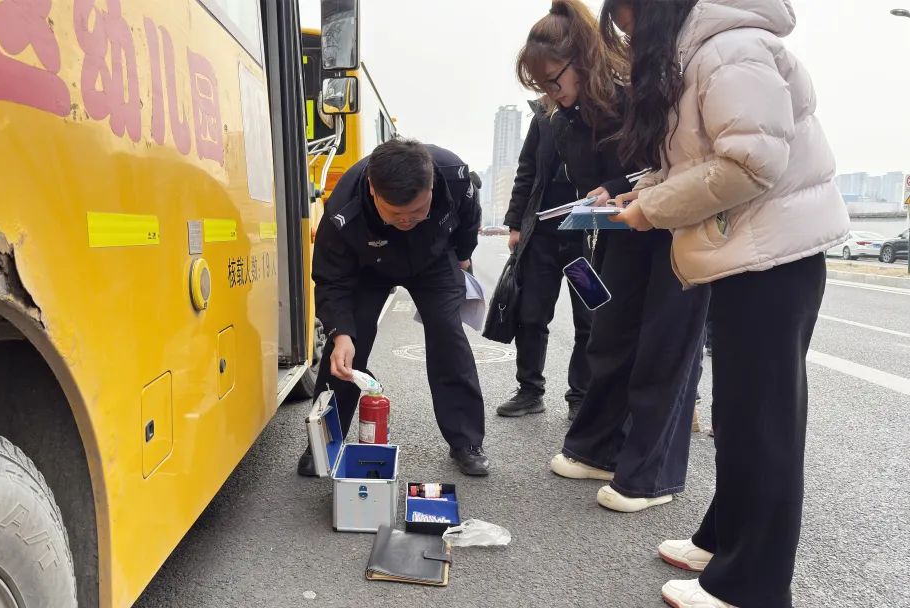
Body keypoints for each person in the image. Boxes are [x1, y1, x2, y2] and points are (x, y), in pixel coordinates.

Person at [603, 1, 850, 606]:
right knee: (738, 413)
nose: (628, 40)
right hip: (755, 252)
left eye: (628, 23)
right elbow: (707, 158)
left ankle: (752, 587)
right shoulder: (708, 49)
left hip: (775, 259)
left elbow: (750, 163)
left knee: (762, 423)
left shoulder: (726, 49)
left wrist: (652, 210)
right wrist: (641, 193)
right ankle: (724, 540)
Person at [516, 0, 710, 515]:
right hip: (621, 232)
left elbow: (671, 160)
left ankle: (653, 475)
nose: (550, 94)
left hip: (673, 227)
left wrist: (619, 186)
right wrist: (599, 196)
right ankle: (598, 449)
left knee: (665, 351)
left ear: (580, 59)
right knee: (610, 339)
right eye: (542, 88)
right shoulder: (562, 118)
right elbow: (587, 177)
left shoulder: (638, 87)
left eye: (554, 81)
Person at [296, 138, 490, 476]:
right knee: (347, 347)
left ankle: (467, 442)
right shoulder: (343, 209)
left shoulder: (453, 174)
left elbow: (469, 219)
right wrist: (340, 332)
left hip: (433, 259)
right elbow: (331, 280)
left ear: (431, 185)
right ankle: (324, 440)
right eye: (396, 214)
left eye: (417, 211)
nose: (407, 220)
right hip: (368, 266)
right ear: (372, 189)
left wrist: (462, 255)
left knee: (447, 333)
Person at [497, 94, 593, 422]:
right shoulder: (543, 115)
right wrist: (515, 224)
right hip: (544, 237)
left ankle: (581, 396)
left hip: (586, 239)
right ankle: (530, 391)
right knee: (531, 316)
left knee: (589, 320)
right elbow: (527, 170)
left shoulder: (600, 108)